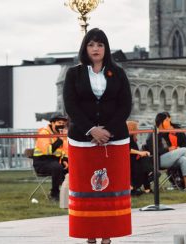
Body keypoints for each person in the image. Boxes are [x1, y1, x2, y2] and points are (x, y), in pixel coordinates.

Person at [63, 28, 132, 244]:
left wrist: (107, 131)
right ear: (85, 48)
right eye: (91, 44)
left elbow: (125, 105)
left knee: (111, 188)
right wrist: (91, 130)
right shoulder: (73, 73)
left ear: (106, 48)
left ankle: (107, 236)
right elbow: (71, 106)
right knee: (86, 189)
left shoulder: (118, 72)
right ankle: (89, 235)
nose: (95, 49)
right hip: (83, 141)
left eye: (100, 45)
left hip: (114, 140)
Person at [33, 113, 68, 202]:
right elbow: (48, 151)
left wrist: (64, 160)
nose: (61, 125)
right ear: (52, 123)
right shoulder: (44, 133)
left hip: (55, 162)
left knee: (72, 166)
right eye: (59, 122)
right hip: (41, 163)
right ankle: (54, 194)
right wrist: (60, 140)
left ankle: (70, 193)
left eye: (63, 123)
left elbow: (65, 150)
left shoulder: (62, 134)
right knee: (57, 167)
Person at [127, 120, 154, 195]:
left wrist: (140, 153)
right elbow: (127, 149)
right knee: (144, 163)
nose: (138, 130)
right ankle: (151, 173)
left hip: (134, 159)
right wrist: (140, 152)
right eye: (137, 128)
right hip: (129, 160)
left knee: (144, 161)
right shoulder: (128, 137)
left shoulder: (132, 138)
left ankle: (147, 187)